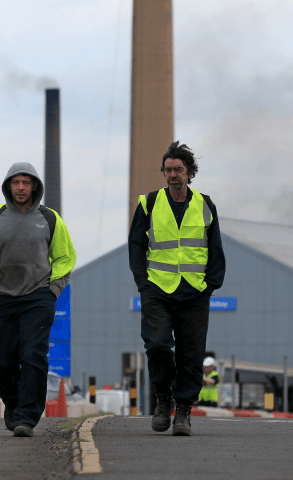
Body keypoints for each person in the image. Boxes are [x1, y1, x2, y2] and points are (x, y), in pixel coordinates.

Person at [128, 141, 226, 436]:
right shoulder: (149, 203)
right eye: (169, 169)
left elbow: (216, 248)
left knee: (191, 353)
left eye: (178, 169)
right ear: (164, 172)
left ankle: (183, 411)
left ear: (190, 173)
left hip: (195, 291)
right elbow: (136, 245)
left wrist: (210, 285)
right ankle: (162, 399)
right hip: (158, 288)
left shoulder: (205, 205)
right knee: (157, 344)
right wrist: (143, 284)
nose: (173, 174)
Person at [0, 162, 76, 437]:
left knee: (33, 355)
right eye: (16, 182)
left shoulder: (50, 218)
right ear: (8, 185)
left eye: (26, 183)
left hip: (38, 298)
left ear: (34, 187)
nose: (20, 188)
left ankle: (27, 418)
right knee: (3, 360)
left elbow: (65, 258)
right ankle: (13, 403)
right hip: (1, 299)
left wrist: (52, 291)